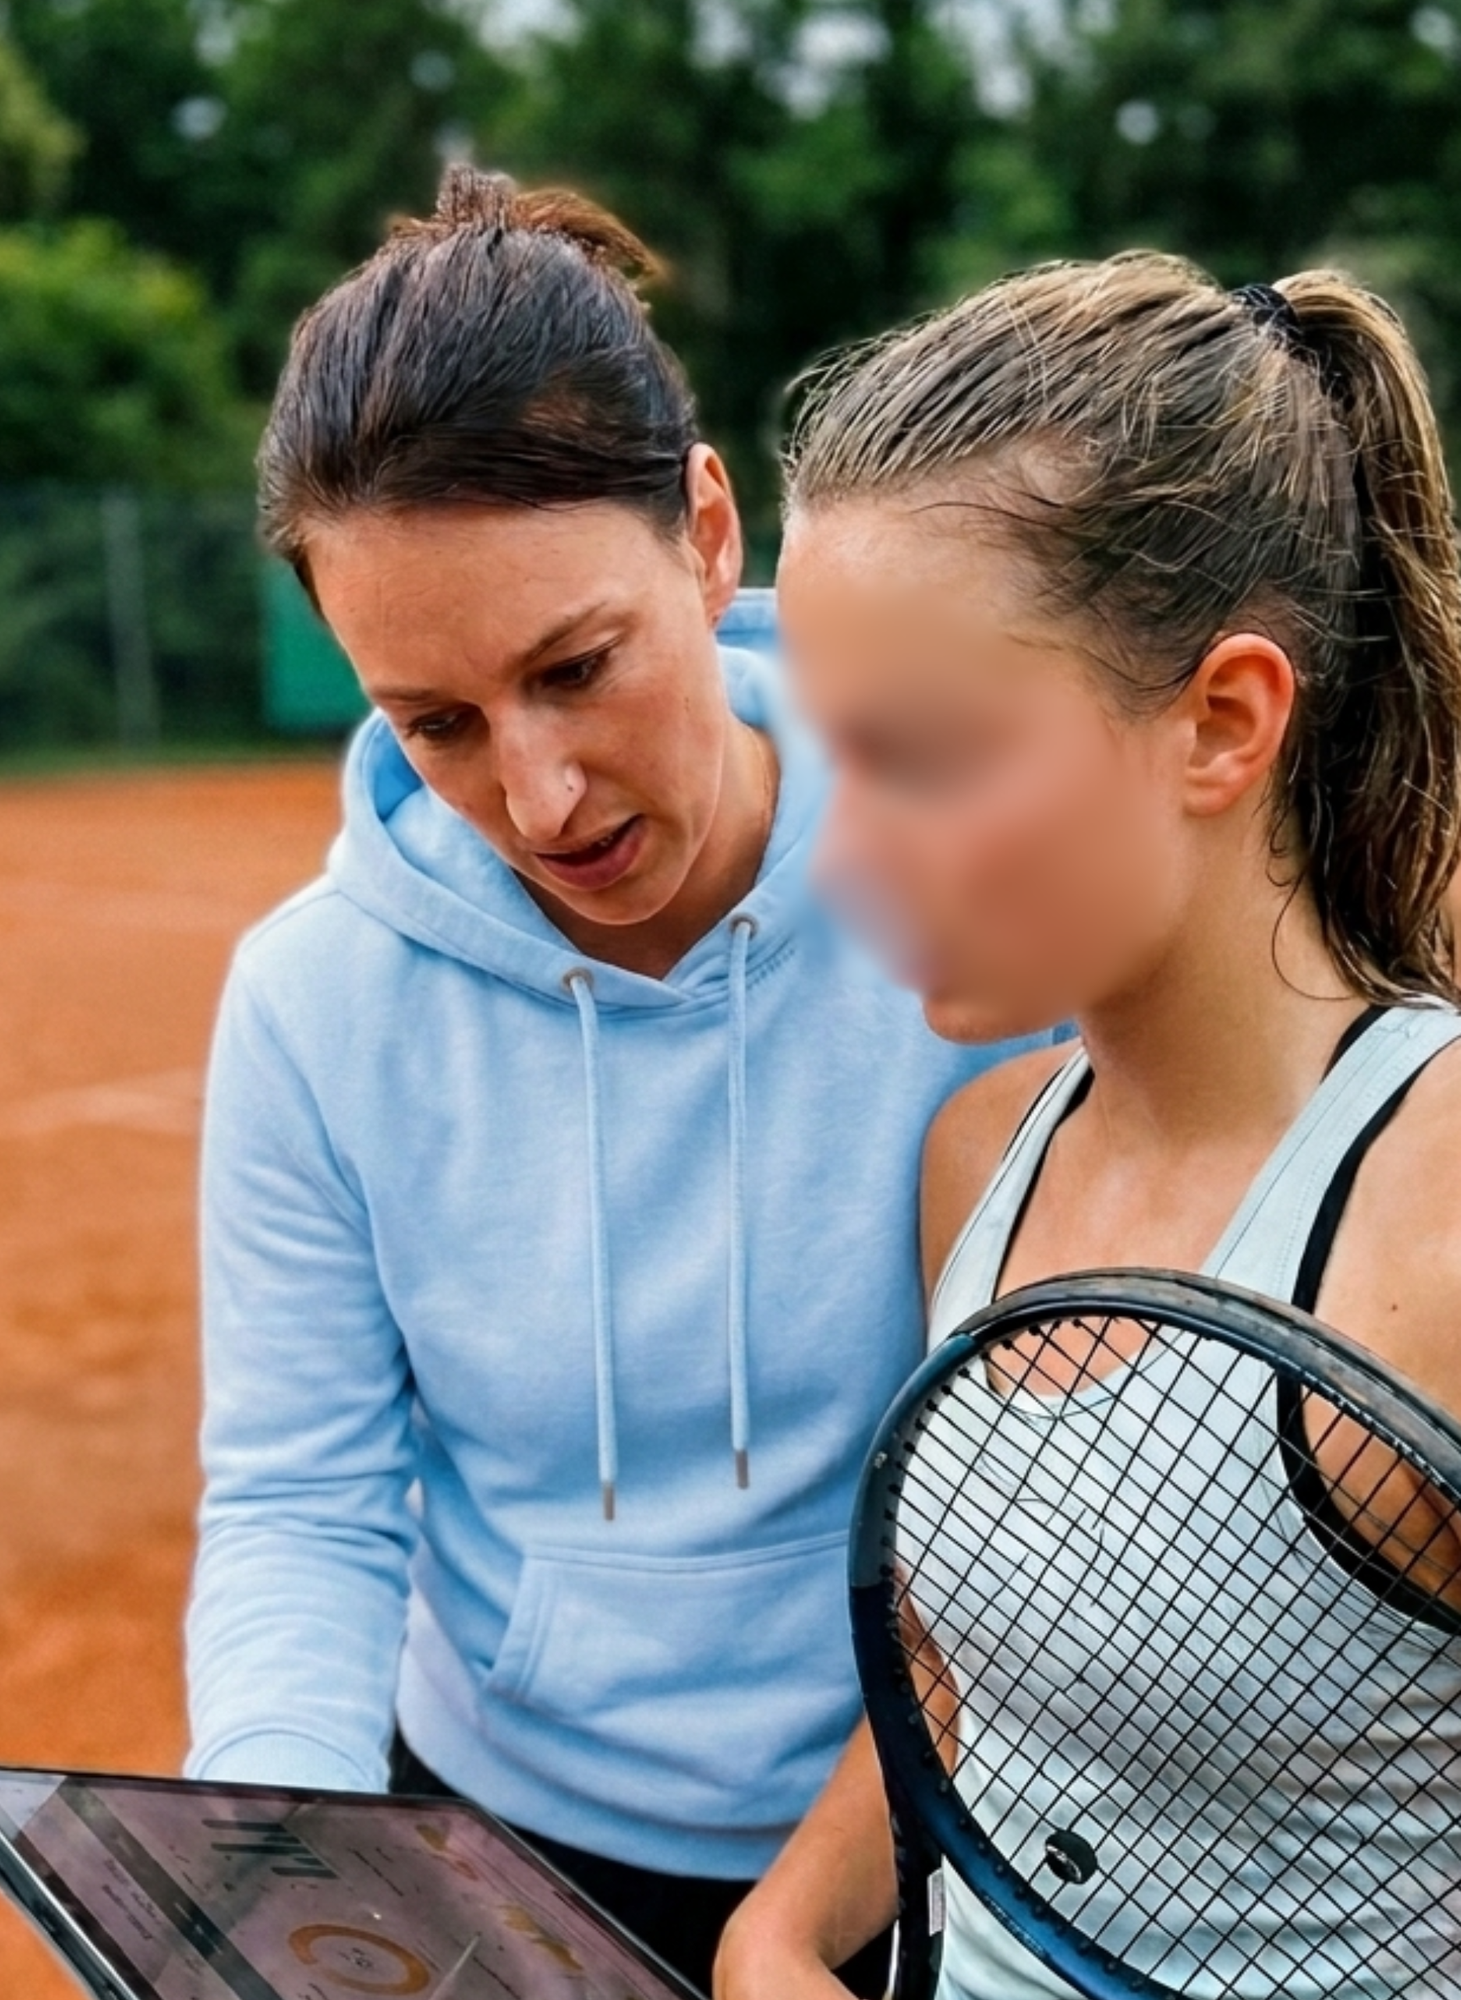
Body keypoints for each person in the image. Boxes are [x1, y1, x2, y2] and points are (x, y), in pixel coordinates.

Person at [715, 255, 1461, 1999]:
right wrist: (785, 1932)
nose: (842, 857)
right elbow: (972, 1675)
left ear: (1223, 721)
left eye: (930, 760)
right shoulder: (982, 1154)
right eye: (838, 756)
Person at [182, 166, 1044, 1995]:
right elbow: (302, 1500)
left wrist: (813, 1910)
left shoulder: (981, 891)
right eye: (436, 723)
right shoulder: (312, 1006)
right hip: (493, 1840)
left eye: (580, 667)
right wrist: (279, 1873)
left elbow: (1044, 1508)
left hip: (909, 1831)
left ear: (710, 534)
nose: (542, 796)